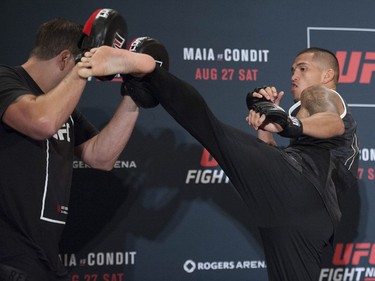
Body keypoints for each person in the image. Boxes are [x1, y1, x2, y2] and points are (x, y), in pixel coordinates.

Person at [77, 46, 359, 281]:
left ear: (328, 74)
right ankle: (150, 74)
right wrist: (268, 121)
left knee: (212, 130)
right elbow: (272, 157)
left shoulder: (321, 95)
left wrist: (289, 124)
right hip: (306, 220)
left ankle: (149, 68)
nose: (294, 76)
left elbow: (331, 123)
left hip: (304, 197)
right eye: (292, 70)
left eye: (302, 68)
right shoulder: (305, 116)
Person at [0, 18, 152, 281]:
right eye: (77, 66)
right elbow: (42, 122)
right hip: (9, 259)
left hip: (45, 258)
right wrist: (84, 66)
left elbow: (101, 156)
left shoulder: (61, 109)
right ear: (64, 59)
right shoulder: (6, 79)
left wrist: (134, 94)